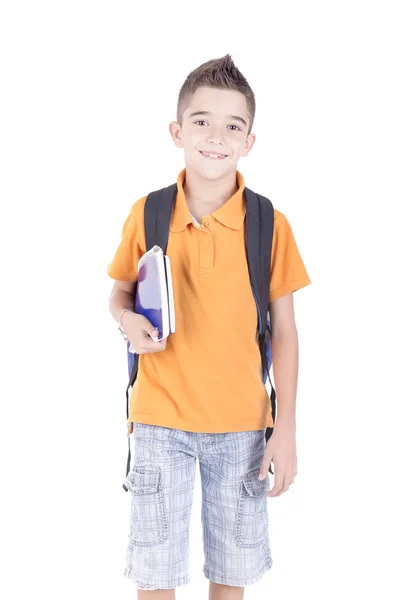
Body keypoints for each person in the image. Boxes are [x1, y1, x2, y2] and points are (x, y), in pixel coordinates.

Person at [107, 54, 311, 599]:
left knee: (232, 574)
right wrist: (126, 321)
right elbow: (120, 293)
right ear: (177, 131)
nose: (215, 136)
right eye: (201, 121)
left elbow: (285, 331)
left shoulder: (269, 223)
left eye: (233, 126)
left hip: (243, 426)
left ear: (249, 141)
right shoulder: (147, 213)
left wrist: (286, 428)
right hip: (158, 422)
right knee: (155, 576)